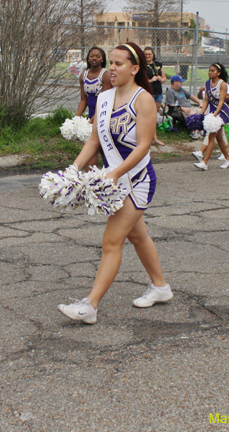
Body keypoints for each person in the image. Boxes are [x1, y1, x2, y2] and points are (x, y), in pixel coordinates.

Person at [57, 42, 172, 325]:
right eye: (111, 63)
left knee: (111, 241)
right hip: (115, 179)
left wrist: (117, 172)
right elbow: (95, 140)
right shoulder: (105, 98)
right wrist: (72, 170)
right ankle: (160, 287)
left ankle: (90, 305)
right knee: (137, 236)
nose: (112, 68)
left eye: (119, 64)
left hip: (137, 180)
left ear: (134, 69)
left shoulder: (143, 99)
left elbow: (144, 146)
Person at [75, 47, 111, 168]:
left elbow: (105, 101)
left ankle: (92, 178)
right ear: (88, 58)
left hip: (104, 115)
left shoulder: (106, 75)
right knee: (98, 147)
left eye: (98, 56)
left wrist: (96, 118)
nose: (94, 58)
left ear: (102, 59)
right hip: (91, 115)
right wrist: (76, 119)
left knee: (98, 148)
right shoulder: (83, 76)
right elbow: (83, 100)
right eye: (92, 56)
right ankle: (102, 175)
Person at [195, 62, 229, 170]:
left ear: (218, 73)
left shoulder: (222, 84)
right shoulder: (207, 83)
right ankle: (228, 159)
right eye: (209, 70)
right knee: (220, 139)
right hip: (212, 111)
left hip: (222, 112)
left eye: (213, 71)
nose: (210, 72)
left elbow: (221, 101)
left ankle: (204, 162)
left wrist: (214, 116)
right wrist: (201, 114)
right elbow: (206, 100)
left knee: (212, 136)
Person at [143, 46, 166, 146]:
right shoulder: (142, 65)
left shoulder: (158, 65)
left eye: (149, 54)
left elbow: (164, 78)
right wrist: (151, 80)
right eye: (146, 54)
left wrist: (161, 79)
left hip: (158, 92)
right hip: (148, 92)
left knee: (154, 116)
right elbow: (141, 80)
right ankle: (146, 137)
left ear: (153, 55)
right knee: (148, 116)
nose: (147, 56)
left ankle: (154, 138)